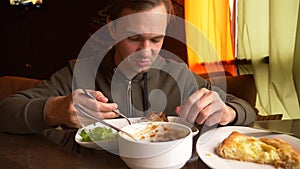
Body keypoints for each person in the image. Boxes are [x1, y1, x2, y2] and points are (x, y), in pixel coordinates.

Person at [0, 0, 256, 135]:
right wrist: (53, 109)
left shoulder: (177, 74)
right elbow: (6, 111)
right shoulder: (79, 73)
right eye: (134, 38)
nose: (146, 52)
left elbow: (246, 109)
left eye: (157, 39)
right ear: (112, 27)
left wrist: (228, 112)